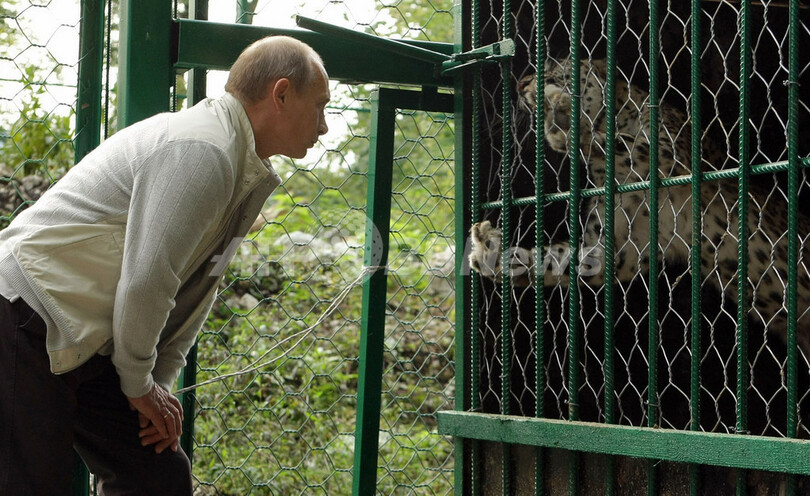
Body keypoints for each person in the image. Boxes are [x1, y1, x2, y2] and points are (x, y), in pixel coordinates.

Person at [0, 35, 330, 495]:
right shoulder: (204, 150)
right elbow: (146, 281)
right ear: (280, 94)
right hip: (24, 316)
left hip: (88, 339)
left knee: (157, 475)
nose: (324, 127)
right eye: (319, 107)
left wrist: (153, 387)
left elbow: (195, 289)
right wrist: (139, 387)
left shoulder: (239, 163)